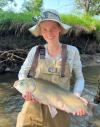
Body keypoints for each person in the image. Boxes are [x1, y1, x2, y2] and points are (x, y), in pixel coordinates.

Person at [16, 9, 88, 127]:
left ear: (59, 28)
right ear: (41, 31)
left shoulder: (72, 51)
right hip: (33, 105)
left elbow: (80, 78)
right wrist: (26, 90)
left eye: (53, 28)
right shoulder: (35, 51)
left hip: (61, 106)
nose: (49, 33)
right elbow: (22, 73)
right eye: (45, 29)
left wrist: (76, 95)